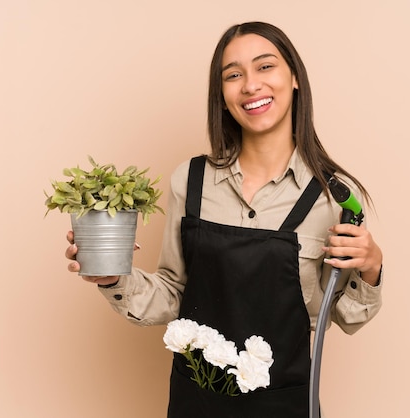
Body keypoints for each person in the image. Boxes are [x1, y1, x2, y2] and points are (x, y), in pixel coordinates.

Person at [65, 21, 383, 417]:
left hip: (283, 403)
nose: (250, 85)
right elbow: (173, 293)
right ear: (222, 94)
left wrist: (371, 268)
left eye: (265, 67)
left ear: (295, 77)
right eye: (233, 75)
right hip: (195, 401)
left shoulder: (334, 197)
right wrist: (114, 277)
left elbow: (347, 317)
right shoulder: (191, 181)